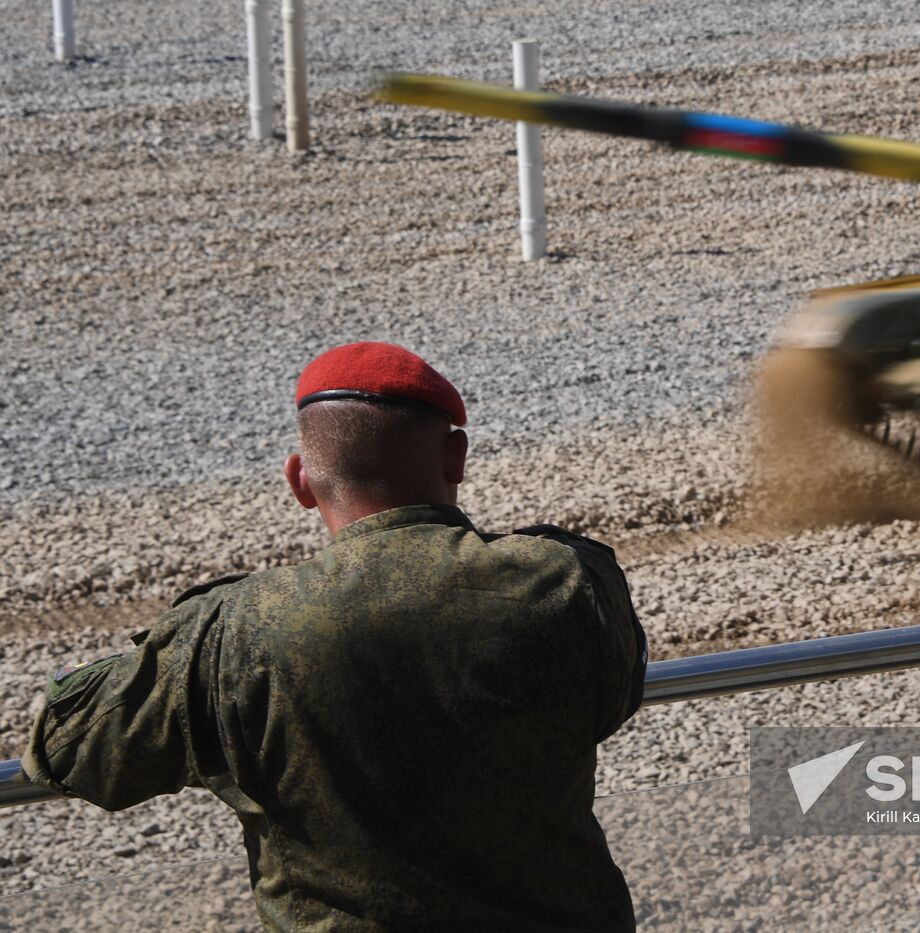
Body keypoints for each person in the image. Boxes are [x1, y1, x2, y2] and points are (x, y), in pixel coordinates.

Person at [23, 341, 648, 932]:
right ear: (455, 458)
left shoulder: (235, 629)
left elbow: (71, 752)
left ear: (300, 480)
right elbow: (612, 699)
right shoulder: (569, 580)